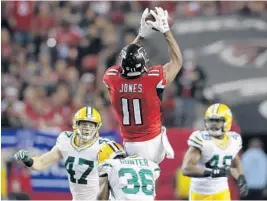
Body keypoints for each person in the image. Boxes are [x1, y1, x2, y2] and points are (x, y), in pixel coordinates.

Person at [103, 7, 183, 164]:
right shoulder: (152, 79)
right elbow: (177, 61)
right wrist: (166, 32)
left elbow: (123, 59)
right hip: (153, 142)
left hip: (130, 145)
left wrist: (140, 35)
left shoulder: (112, 78)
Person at [14, 107, 110, 200]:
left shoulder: (104, 147)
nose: (87, 128)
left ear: (97, 127)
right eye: (83, 124)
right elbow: (41, 163)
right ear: (76, 124)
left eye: (91, 125)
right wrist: (28, 160)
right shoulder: (66, 141)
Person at [181, 103, 248, 200]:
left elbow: (236, 160)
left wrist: (241, 177)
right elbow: (186, 169)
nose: (213, 124)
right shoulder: (202, 139)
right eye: (210, 120)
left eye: (217, 120)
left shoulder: (234, 139)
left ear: (227, 121)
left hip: (222, 191)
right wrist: (213, 172)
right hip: (201, 193)